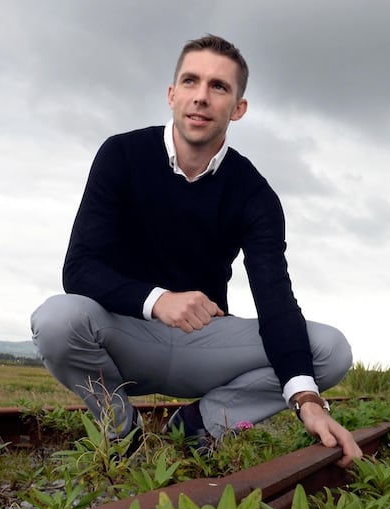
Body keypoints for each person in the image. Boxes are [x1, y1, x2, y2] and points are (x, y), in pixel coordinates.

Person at [30, 34, 361, 466]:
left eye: (218, 87)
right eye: (191, 82)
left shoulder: (254, 192)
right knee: (57, 318)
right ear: (172, 95)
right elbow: (79, 269)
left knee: (330, 350)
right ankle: (122, 432)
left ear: (238, 108)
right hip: (126, 333)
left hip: (202, 344)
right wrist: (157, 300)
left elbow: (274, 296)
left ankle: (198, 425)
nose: (201, 97)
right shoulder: (121, 155)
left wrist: (306, 399)